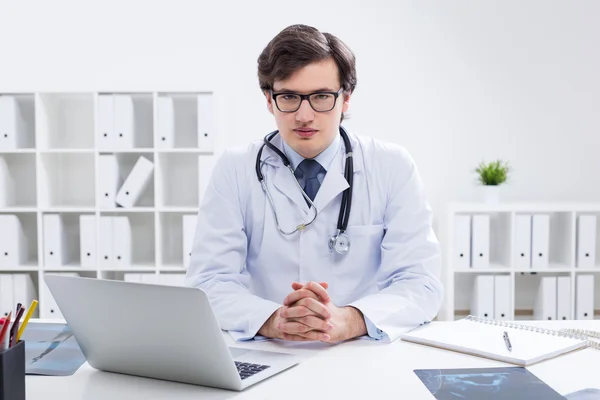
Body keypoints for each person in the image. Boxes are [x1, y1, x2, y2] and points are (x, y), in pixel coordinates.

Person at [185, 24, 443, 343]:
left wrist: (351, 320)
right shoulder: (234, 169)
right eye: (289, 97)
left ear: (345, 99)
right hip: (268, 351)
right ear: (269, 99)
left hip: (360, 351)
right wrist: (271, 319)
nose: (304, 115)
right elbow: (208, 282)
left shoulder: (392, 166)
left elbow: (421, 284)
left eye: (321, 96)